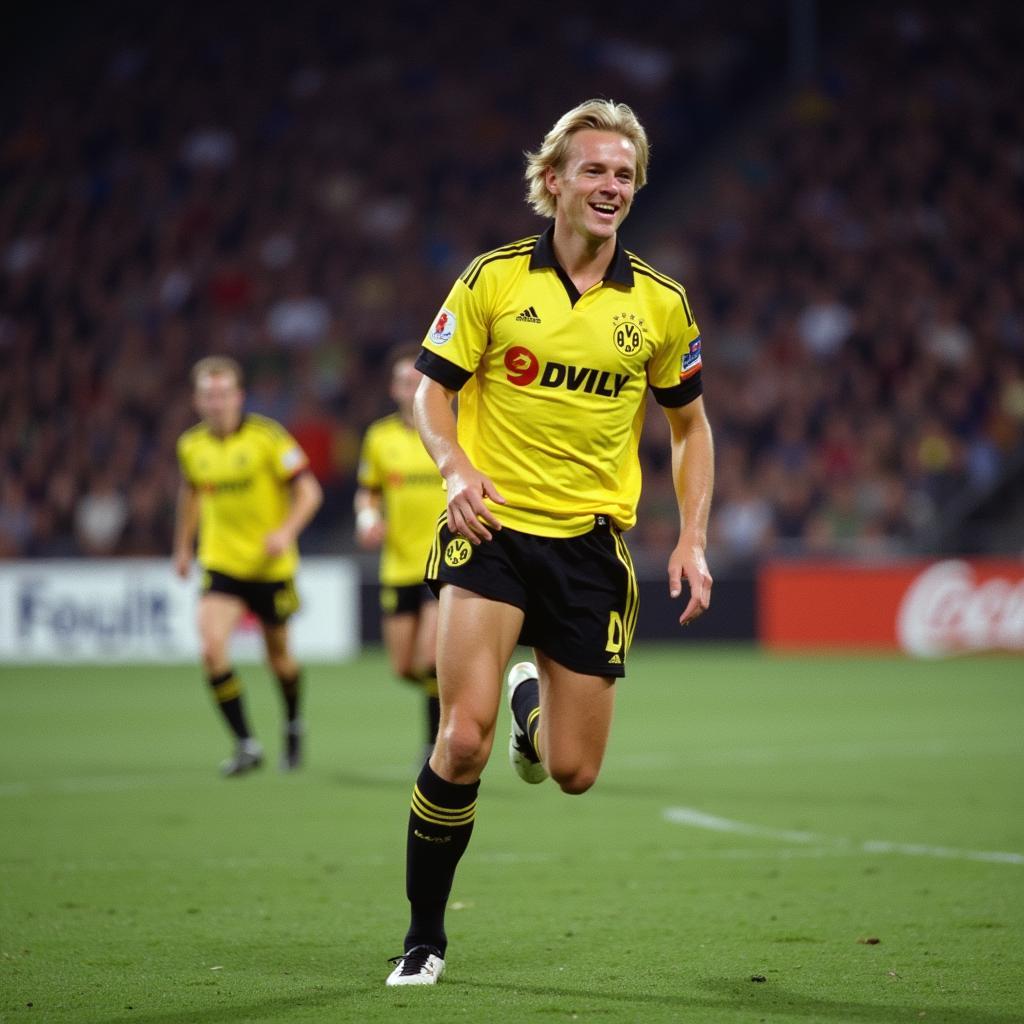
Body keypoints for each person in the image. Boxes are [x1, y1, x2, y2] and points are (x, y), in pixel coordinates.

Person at [385, 99, 714, 986]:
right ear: (553, 182)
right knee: (460, 738)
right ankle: (423, 937)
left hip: (590, 549)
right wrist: (454, 470)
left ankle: (536, 713)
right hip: (489, 530)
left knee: (572, 772)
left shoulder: (660, 304)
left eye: (624, 175)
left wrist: (691, 537)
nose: (611, 187)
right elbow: (431, 392)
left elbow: (690, 428)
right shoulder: (493, 280)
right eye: (595, 170)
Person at [174, 356, 323, 776]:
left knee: (279, 660)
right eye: (208, 394)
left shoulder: (268, 438)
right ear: (196, 400)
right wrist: (183, 547)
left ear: (238, 396)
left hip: (270, 568)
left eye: (223, 394)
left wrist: (286, 532)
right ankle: (246, 744)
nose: (216, 402)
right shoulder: (191, 446)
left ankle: (293, 722)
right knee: (211, 648)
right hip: (222, 566)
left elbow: (309, 492)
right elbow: (190, 497)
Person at [355, 345, 446, 760]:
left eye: (417, 380)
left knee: (430, 657)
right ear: (394, 388)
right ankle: (460, 690)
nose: (411, 388)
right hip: (397, 564)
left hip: (443, 562)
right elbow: (367, 493)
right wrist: (367, 519)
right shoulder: (379, 438)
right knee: (404, 667)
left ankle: (433, 742)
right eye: (404, 382)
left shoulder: (452, 428)